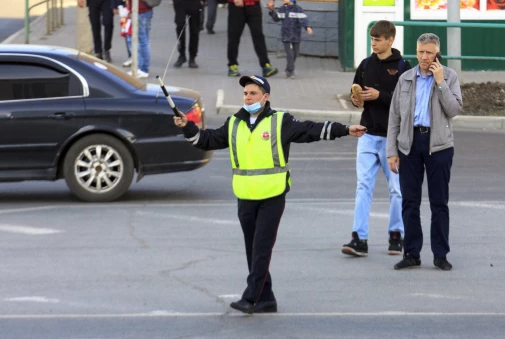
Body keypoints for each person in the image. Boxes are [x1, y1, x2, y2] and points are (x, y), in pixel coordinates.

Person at [173, 75, 367, 314]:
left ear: (265, 97)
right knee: (252, 250)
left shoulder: (280, 121)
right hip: (245, 196)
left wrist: (345, 129)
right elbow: (206, 140)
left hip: (272, 196)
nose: (248, 97)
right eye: (245, 93)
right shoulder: (234, 122)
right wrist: (188, 127)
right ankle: (266, 299)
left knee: (261, 248)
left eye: (253, 93)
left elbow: (310, 130)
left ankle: (251, 296)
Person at [387, 33, 463, 271]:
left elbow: (454, 109)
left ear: (437, 53)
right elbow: (394, 118)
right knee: (410, 201)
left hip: (438, 146)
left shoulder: (449, 76)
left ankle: (440, 254)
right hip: (409, 145)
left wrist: (440, 82)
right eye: (420, 51)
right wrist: (392, 151)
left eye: (429, 52)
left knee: (439, 202)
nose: (424, 57)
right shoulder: (406, 78)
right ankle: (411, 253)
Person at [340, 20, 410, 259]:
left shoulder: (403, 67)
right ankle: (359, 238)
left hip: (394, 138)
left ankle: (396, 235)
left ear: (390, 40)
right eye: (372, 39)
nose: (374, 43)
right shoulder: (366, 64)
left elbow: (406, 103)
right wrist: (356, 99)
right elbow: (355, 93)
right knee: (363, 186)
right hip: (368, 134)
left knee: (397, 190)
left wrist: (381, 95)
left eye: (378, 39)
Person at [118, 0, 154, 79]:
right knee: (144, 39)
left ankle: (142, 68)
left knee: (141, 40)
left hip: (140, 9)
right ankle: (141, 67)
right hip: (147, 9)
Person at [268, 0, 312, 79]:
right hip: (286, 35)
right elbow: (276, 18)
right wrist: (272, 11)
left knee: (295, 53)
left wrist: (307, 27)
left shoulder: (298, 9)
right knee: (290, 54)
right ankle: (291, 71)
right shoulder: (282, 9)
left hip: (296, 35)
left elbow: (303, 19)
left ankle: (288, 69)